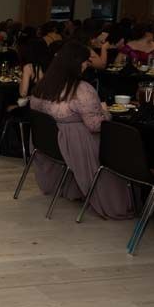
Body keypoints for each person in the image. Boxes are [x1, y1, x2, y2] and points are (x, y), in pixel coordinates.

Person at [30, 41, 132, 219]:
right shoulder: (82, 89)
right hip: (75, 145)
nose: (87, 64)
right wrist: (106, 113)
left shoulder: (44, 85)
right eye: (86, 61)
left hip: (51, 143)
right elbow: (95, 125)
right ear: (76, 63)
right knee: (123, 144)